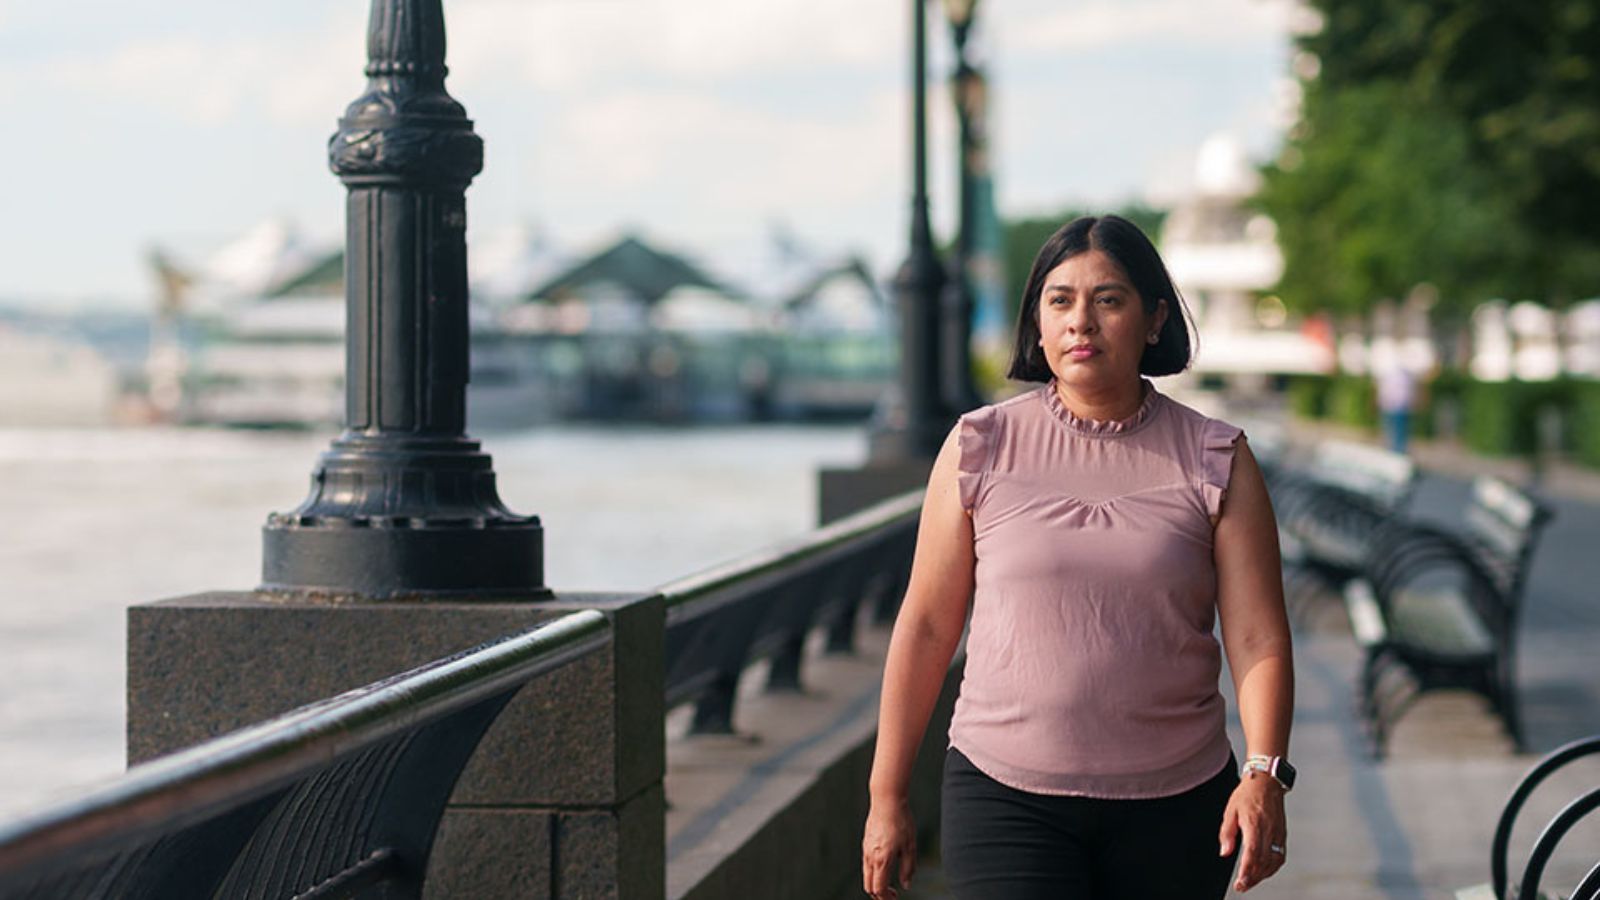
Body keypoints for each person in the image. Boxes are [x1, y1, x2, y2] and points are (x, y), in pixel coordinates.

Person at [861, 215, 1295, 899]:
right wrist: (886, 795)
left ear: (1155, 320)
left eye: (1108, 300)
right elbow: (926, 626)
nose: (1080, 322)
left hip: (1179, 807)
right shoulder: (979, 445)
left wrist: (1264, 774)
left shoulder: (1217, 457)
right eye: (1060, 300)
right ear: (1037, 324)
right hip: (1004, 798)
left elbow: (1258, 637)